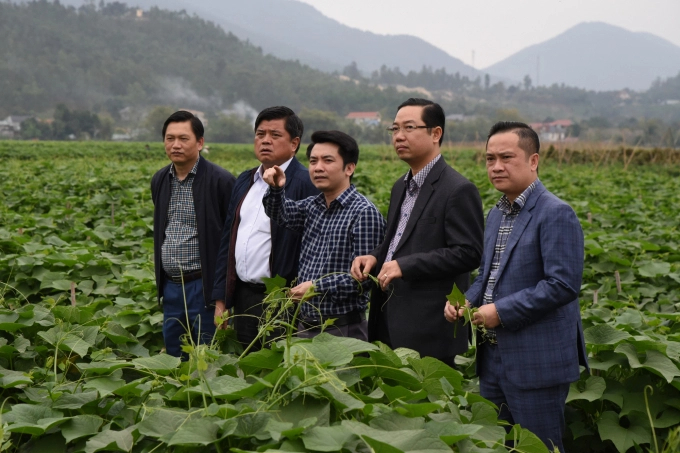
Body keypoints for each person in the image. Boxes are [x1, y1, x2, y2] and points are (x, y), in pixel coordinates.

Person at [444, 121, 588, 452]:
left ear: (533, 160)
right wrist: (465, 301)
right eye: (489, 158)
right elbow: (488, 276)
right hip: (493, 357)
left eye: (506, 157)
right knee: (499, 445)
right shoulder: (496, 214)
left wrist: (501, 311)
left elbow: (562, 284)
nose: (496, 166)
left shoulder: (555, 213)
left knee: (539, 447)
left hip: (536, 361)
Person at [351, 98, 484, 367]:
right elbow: (397, 241)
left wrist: (406, 265)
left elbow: (469, 253)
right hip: (387, 318)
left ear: (436, 134)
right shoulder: (400, 186)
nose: (399, 136)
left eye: (409, 127)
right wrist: (376, 257)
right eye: (395, 129)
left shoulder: (457, 189)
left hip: (430, 329)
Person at [212, 106, 318, 350]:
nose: (265, 141)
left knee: (278, 370)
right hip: (244, 297)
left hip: (284, 299)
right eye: (260, 134)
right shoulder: (245, 180)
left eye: (274, 135)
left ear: (294, 143)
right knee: (247, 368)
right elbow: (228, 241)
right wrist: (222, 299)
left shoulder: (306, 182)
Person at [263, 130, 385, 340]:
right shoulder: (313, 205)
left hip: (343, 329)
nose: (318, 167)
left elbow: (363, 280)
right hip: (305, 324)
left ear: (349, 168)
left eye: (327, 160)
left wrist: (317, 287)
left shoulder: (364, 213)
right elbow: (280, 213)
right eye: (313, 161)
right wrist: (276, 189)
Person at [151, 110, 235, 358]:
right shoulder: (160, 180)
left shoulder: (221, 181)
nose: (175, 145)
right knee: (174, 353)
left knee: (206, 356)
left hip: (204, 285)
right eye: (169, 138)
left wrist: (223, 297)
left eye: (183, 138)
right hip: (171, 285)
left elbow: (231, 241)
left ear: (200, 142)